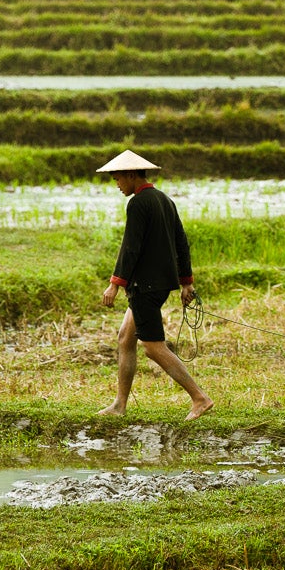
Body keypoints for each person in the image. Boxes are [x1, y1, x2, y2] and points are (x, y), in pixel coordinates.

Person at [95, 149, 212, 419]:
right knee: (126, 337)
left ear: (131, 175)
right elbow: (181, 242)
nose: (117, 184)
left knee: (153, 347)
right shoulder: (164, 199)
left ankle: (199, 398)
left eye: (118, 179)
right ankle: (119, 405)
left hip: (145, 286)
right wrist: (186, 282)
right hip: (158, 284)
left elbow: (130, 248)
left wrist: (115, 283)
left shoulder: (137, 204)